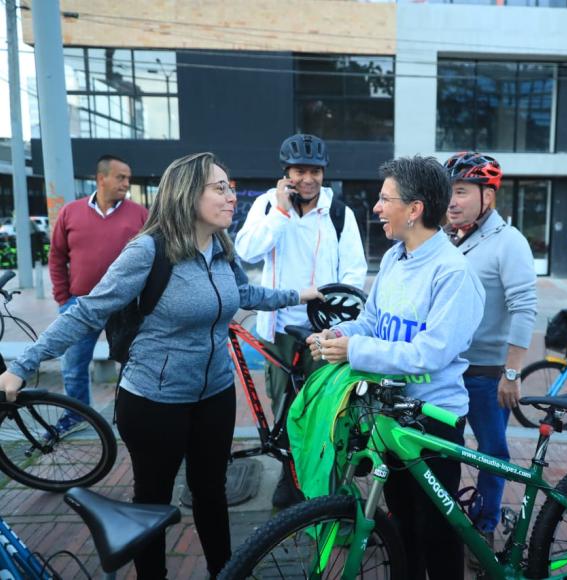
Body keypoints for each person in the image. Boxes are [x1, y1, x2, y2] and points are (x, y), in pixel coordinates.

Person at [0, 152, 322, 579]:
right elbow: (86, 311)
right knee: (152, 501)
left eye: (231, 188)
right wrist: (23, 364)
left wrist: (299, 295)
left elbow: (244, 295)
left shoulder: (221, 247)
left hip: (215, 394)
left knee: (211, 492)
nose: (232, 198)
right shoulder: (147, 251)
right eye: (220, 188)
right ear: (188, 194)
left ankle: (225, 572)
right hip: (154, 401)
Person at [308, 155, 486, 580]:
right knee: (402, 522)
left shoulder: (453, 273)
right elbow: (372, 321)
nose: (377, 208)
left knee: (438, 532)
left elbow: (430, 353)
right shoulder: (394, 259)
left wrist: (356, 351)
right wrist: (338, 335)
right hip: (390, 414)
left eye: (385, 199)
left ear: (415, 208)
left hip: (433, 421)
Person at [234, 133, 367, 507]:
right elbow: (246, 251)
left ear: (324, 173)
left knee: (327, 407)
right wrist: (279, 211)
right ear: (285, 173)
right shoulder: (267, 205)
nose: (307, 179)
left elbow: (353, 272)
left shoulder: (339, 213)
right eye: (299, 171)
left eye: (314, 171)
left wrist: (338, 322)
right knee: (284, 406)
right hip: (278, 328)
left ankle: (326, 481)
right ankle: (290, 477)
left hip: (323, 331)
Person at [443, 151, 537, 559]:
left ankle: (485, 530)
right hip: (445, 373)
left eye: (461, 192)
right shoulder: (447, 239)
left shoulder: (508, 242)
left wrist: (512, 373)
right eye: (448, 192)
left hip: (486, 375)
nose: (452, 201)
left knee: (492, 455)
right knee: (440, 449)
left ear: (488, 198)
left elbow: (524, 306)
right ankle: (444, 523)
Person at [48, 154, 147, 436]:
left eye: (128, 178)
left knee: (135, 365)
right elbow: (56, 257)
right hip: (81, 304)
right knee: (74, 365)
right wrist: (63, 298)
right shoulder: (70, 212)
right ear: (101, 178)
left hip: (127, 306)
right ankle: (76, 416)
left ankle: (136, 417)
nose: (126, 183)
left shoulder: (139, 214)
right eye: (121, 177)